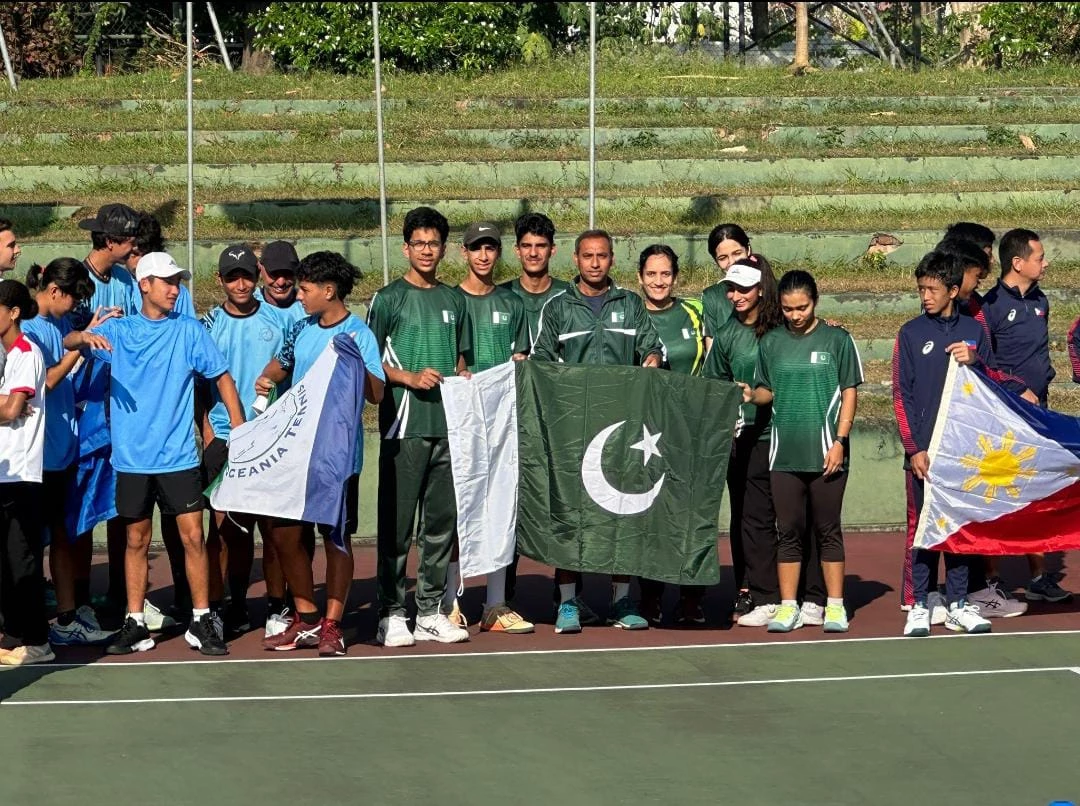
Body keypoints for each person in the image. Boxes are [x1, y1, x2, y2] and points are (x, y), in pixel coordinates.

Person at [90, 252, 245, 656]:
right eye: (166, 281)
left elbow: (222, 378)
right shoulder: (120, 331)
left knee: (193, 537)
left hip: (179, 458)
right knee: (136, 540)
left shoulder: (190, 331)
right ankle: (135, 622)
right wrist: (82, 335)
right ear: (144, 284)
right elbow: (75, 343)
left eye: (177, 281)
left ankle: (201, 619)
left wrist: (240, 425)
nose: (175, 289)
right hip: (131, 460)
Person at [532, 229, 663, 634]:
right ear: (575, 259)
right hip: (573, 430)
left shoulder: (631, 304)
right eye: (587, 255)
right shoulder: (557, 308)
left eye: (602, 256)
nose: (594, 262)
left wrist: (653, 360)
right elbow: (540, 363)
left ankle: (622, 603)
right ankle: (569, 604)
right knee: (573, 518)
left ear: (611, 260)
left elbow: (652, 346)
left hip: (624, 430)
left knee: (621, 513)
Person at [254, 251, 384, 656]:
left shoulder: (359, 334)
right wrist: (266, 377)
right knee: (283, 531)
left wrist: (356, 363)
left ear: (329, 291)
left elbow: (377, 394)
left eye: (306, 289)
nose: (299, 296)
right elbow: (281, 365)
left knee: (336, 538)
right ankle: (306, 618)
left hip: (339, 456)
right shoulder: (300, 328)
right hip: (296, 453)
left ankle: (333, 624)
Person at [366, 206, 471, 647]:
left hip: (448, 426)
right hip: (403, 428)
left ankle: (429, 611)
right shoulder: (388, 299)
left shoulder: (454, 299)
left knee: (441, 525)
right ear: (406, 248)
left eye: (434, 244)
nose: (427, 251)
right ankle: (391, 612)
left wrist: (463, 376)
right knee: (396, 526)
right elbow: (369, 364)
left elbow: (461, 357)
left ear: (443, 249)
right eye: (420, 244)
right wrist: (407, 377)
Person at [741, 270, 862, 633]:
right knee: (788, 530)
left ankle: (835, 606)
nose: (795, 315)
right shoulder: (771, 342)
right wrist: (750, 394)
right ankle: (788, 606)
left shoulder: (838, 340)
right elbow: (767, 391)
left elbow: (850, 393)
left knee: (827, 530)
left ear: (815, 302)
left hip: (828, 453)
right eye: (789, 309)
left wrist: (840, 442)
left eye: (802, 308)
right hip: (784, 456)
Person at [893, 250, 992, 636]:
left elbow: (992, 386)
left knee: (958, 530)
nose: (925, 296)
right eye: (921, 289)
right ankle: (919, 603)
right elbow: (902, 395)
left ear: (953, 290)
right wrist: (913, 448)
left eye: (932, 289)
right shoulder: (911, 332)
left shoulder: (976, 331)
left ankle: (959, 604)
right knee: (924, 530)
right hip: (924, 454)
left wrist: (976, 362)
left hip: (963, 453)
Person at [23, 260, 115, 646]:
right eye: (74, 295)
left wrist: (82, 333)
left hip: (61, 453)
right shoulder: (26, 328)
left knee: (63, 537)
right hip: (33, 456)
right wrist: (80, 344)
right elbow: (44, 380)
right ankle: (25, 625)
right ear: (55, 290)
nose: (75, 303)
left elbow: (69, 340)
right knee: (27, 546)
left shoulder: (61, 324)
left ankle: (64, 618)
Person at [449, 222, 533, 635]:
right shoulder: (450, 300)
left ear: (500, 254)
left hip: (503, 419)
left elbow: (520, 355)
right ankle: (450, 601)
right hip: (462, 417)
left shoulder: (513, 303)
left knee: (502, 503)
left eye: (491, 249)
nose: (484, 256)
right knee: (458, 505)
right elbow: (455, 358)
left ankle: (495, 604)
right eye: (476, 248)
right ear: (463, 253)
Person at [201, 245, 290, 637]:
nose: (241, 284)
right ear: (219, 280)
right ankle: (224, 608)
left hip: (269, 438)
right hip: (223, 437)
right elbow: (197, 386)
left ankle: (276, 606)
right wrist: (207, 433)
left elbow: (291, 372)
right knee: (223, 531)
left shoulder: (279, 320)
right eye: (232, 277)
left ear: (257, 277)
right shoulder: (207, 325)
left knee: (272, 529)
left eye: (247, 277)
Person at [980, 228, 1073, 604]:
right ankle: (991, 578)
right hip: (1004, 414)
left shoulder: (1042, 301)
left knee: (1038, 492)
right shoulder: (990, 307)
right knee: (999, 494)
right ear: (1018, 263)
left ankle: (1038, 577)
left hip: (1040, 411)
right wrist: (1019, 391)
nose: (1045, 262)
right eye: (1039, 257)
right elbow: (986, 364)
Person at [70, 203, 151, 628]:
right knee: (82, 508)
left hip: (119, 408)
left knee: (124, 504)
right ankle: (79, 600)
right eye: (128, 237)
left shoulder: (126, 280)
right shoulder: (77, 283)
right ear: (108, 241)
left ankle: (124, 594)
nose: (134, 244)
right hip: (83, 413)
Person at [702, 255, 788, 627]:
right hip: (743, 438)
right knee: (748, 518)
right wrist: (730, 393)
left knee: (789, 518)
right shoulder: (726, 334)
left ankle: (795, 592)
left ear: (762, 289)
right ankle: (750, 590)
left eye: (743, 288)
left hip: (785, 437)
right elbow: (712, 382)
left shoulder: (785, 329)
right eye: (731, 288)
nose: (735, 295)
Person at [635, 243, 708, 625]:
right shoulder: (630, 313)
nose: (659, 281)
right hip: (647, 433)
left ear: (675, 277)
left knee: (692, 516)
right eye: (651, 274)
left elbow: (718, 357)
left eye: (665, 274)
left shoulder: (696, 311)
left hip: (693, 429)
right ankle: (649, 597)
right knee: (652, 517)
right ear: (640, 277)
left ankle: (692, 598)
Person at [0, 280, 52, 665]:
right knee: (5, 563)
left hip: (21, 475)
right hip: (5, 475)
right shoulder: (5, 355)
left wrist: (9, 404)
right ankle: (14, 635)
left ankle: (38, 641)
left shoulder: (26, 352)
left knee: (22, 560)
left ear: (14, 312)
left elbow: (12, 410)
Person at [500, 212, 572, 349]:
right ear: (517, 250)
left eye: (541, 246)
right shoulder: (502, 295)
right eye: (526, 246)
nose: (533, 253)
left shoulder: (569, 295)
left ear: (552, 250)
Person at [700, 223, 753, 338]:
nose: (732, 262)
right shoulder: (712, 296)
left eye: (737, 253)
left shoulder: (773, 287)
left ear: (748, 250)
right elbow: (711, 346)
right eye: (723, 258)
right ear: (716, 261)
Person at [255, 240, 307, 325]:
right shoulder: (247, 308)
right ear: (260, 268)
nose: (281, 282)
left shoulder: (311, 308)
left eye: (288, 273)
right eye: (274, 273)